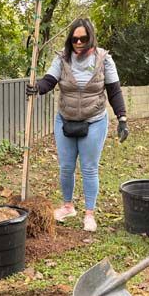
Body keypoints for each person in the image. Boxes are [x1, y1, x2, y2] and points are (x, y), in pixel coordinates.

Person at [26, 18, 128, 232]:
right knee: (66, 167)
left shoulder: (103, 59)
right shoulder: (63, 58)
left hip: (94, 120)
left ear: (91, 37)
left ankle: (89, 214)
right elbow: (49, 80)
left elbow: (114, 90)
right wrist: (38, 88)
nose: (79, 43)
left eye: (83, 38)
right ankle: (67, 206)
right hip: (65, 118)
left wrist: (122, 118)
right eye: (74, 39)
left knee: (89, 168)